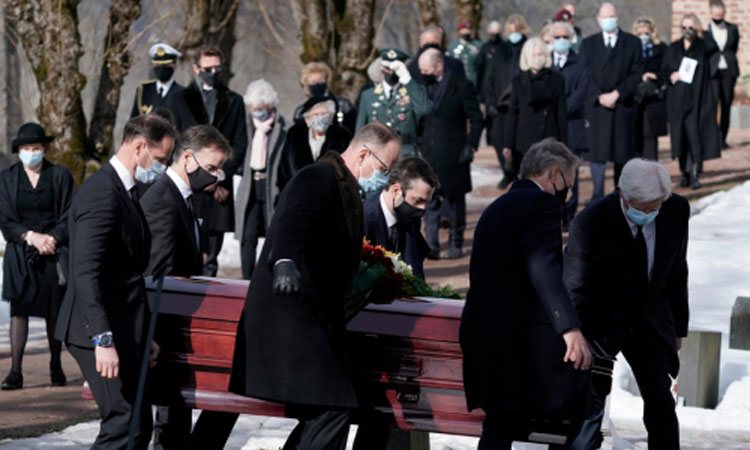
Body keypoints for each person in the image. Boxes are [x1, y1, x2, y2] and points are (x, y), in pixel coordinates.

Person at [188, 123, 401, 450]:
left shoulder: (343, 185)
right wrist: (285, 261)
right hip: (288, 320)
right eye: (384, 168)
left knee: (336, 405)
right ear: (363, 154)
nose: (384, 178)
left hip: (313, 320)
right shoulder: (316, 178)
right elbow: (293, 223)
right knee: (335, 405)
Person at [55, 114, 178, 449]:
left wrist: (143, 332)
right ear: (140, 147)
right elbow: (85, 271)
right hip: (95, 328)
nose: (163, 167)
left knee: (138, 420)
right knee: (123, 421)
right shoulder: (102, 193)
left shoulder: (124, 189)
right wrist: (103, 339)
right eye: (161, 159)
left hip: (123, 324)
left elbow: (126, 270)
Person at [460, 138, 591, 449]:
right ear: (553, 174)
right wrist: (569, 328)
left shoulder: (495, 207)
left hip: (485, 336)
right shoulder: (542, 204)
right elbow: (543, 265)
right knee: (577, 410)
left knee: (499, 425)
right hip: (522, 342)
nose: (566, 193)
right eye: (567, 184)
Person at [564, 158, 689, 450]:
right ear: (624, 195)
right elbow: (575, 285)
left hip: (650, 319)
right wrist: (573, 332)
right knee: (590, 405)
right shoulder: (591, 222)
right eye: (642, 208)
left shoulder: (674, 209)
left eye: (654, 207)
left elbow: (677, 269)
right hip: (603, 321)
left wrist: (678, 327)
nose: (649, 213)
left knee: (660, 401)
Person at [140, 125, 231, 450]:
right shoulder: (164, 200)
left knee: (177, 419)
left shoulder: (184, 198)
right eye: (211, 167)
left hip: (177, 325)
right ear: (188, 158)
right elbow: (159, 274)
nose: (216, 176)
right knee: (168, 425)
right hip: (165, 329)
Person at [0, 123, 74, 390]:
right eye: (26, 149)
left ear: (44, 149)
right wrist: (31, 237)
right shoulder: (6, 179)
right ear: (19, 151)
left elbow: (69, 215)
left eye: (36, 148)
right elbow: (5, 220)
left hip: (53, 251)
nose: (31, 153)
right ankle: (15, 371)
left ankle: (56, 365)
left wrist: (52, 238)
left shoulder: (60, 176)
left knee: (53, 310)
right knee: (19, 310)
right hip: (21, 251)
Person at [169, 44, 248, 277]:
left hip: (219, 190)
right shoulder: (179, 99)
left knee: (211, 257)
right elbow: (175, 140)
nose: (213, 73)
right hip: (188, 185)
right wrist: (194, 173)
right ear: (196, 68)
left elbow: (240, 144)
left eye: (217, 68)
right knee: (183, 251)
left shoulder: (234, 101)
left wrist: (219, 176)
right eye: (208, 68)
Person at [418, 48, 482, 260]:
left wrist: (471, 145)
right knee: (430, 200)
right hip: (429, 152)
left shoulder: (462, 85)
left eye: (425, 69)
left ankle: (456, 242)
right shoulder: (420, 88)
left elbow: (475, 119)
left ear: (438, 66)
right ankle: (432, 245)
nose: (422, 72)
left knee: (455, 201)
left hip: (455, 152)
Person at [580, 2, 644, 201]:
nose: (609, 20)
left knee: (622, 155)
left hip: (622, 106)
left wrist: (617, 93)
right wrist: (599, 96)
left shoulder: (632, 43)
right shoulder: (588, 44)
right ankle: (597, 194)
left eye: (612, 16)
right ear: (598, 19)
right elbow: (584, 75)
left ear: (618, 18)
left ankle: (620, 196)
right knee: (597, 155)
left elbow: (636, 73)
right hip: (597, 108)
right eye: (605, 16)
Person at [235, 79, 288, 280]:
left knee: (272, 234)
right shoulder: (246, 125)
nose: (258, 112)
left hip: (271, 185)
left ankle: (266, 277)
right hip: (250, 184)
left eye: (262, 108)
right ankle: (246, 277)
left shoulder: (281, 126)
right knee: (247, 237)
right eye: (255, 108)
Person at [663, 13, 721, 189]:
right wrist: (670, 76)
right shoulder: (673, 48)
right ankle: (685, 173)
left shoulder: (702, 47)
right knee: (680, 137)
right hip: (678, 99)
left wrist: (703, 31)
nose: (687, 31)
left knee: (695, 136)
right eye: (684, 27)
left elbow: (715, 48)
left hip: (697, 99)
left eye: (691, 27)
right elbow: (664, 70)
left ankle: (695, 172)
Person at [363, 156, 438, 279]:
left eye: (426, 202)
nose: (422, 208)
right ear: (396, 191)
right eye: (418, 200)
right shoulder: (364, 219)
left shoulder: (411, 218)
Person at [504, 37, 567, 181]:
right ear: (527, 57)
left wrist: (564, 146)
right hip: (524, 143)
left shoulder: (557, 79)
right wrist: (508, 144)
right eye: (534, 55)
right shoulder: (518, 81)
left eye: (541, 54)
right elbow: (513, 113)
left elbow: (561, 114)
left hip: (549, 141)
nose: (538, 58)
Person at [549, 22, 590, 227]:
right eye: (557, 37)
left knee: (569, 172)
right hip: (550, 126)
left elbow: (582, 91)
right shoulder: (545, 61)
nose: (561, 41)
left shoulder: (580, 62)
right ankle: (553, 210)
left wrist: (562, 109)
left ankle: (569, 212)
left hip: (572, 124)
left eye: (565, 37)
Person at [357, 48, 432, 158]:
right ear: (382, 68)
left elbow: (425, 109)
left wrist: (407, 80)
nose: (391, 72)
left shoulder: (412, 92)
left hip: (404, 154)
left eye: (395, 68)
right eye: (387, 68)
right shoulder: (368, 95)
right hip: (375, 154)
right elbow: (360, 132)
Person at [483, 14, 529, 188]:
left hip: (522, 104)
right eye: (510, 30)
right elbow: (490, 78)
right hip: (501, 105)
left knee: (520, 142)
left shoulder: (527, 46)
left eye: (516, 30)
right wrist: (490, 102)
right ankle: (507, 172)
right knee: (498, 139)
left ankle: (520, 173)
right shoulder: (501, 49)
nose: (513, 34)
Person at [278, 96, 351, 192]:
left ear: (331, 116)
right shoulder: (294, 135)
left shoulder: (342, 136)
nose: (320, 118)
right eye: (315, 114)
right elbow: (284, 169)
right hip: (297, 193)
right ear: (307, 118)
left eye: (324, 114)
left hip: (330, 194)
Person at [705, 0, 741, 148]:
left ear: (724, 13)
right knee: (712, 105)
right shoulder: (705, 31)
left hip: (729, 71)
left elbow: (734, 48)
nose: (718, 18)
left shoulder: (732, 29)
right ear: (711, 13)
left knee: (726, 104)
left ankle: (722, 139)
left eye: (720, 15)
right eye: (715, 15)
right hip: (712, 72)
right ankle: (712, 139)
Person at [633, 17, 668, 162]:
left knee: (650, 135)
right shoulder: (631, 50)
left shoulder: (661, 49)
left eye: (646, 33)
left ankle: (652, 167)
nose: (643, 37)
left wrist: (655, 75)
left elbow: (666, 70)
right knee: (635, 134)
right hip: (635, 97)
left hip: (653, 97)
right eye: (640, 34)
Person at [292, 62, 358, 133]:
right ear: (307, 84)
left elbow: (356, 128)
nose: (317, 84)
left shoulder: (343, 104)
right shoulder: (300, 112)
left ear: (326, 80)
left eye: (320, 80)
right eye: (313, 82)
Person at [131, 43, 184, 118]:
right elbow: (133, 121)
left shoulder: (182, 94)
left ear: (175, 65)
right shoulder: (143, 91)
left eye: (165, 65)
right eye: (158, 65)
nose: (161, 69)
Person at [447, 21, 483, 86]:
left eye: (468, 30)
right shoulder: (453, 46)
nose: (466, 33)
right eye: (464, 31)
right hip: (457, 80)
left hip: (473, 80)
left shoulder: (478, 45)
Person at [476, 20, 504, 102]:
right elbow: (480, 68)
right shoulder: (485, 48)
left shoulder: (504, 47)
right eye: (492, 33)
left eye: (496, 33)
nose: (494, 36)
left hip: (500, 84)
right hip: (486, 86)